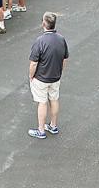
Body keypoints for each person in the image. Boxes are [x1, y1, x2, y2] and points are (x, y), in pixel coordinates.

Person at [27, 12, 68, 140]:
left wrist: (31, 76)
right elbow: (64, 59)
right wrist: (60, 72)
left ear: (43, 24)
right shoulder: (61, 39)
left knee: (42, 102)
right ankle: (53, 125)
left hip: (41, 78)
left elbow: (34, 63)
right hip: (55, 77)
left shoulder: (40, 41)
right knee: (54, 100)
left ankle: (41, 130)